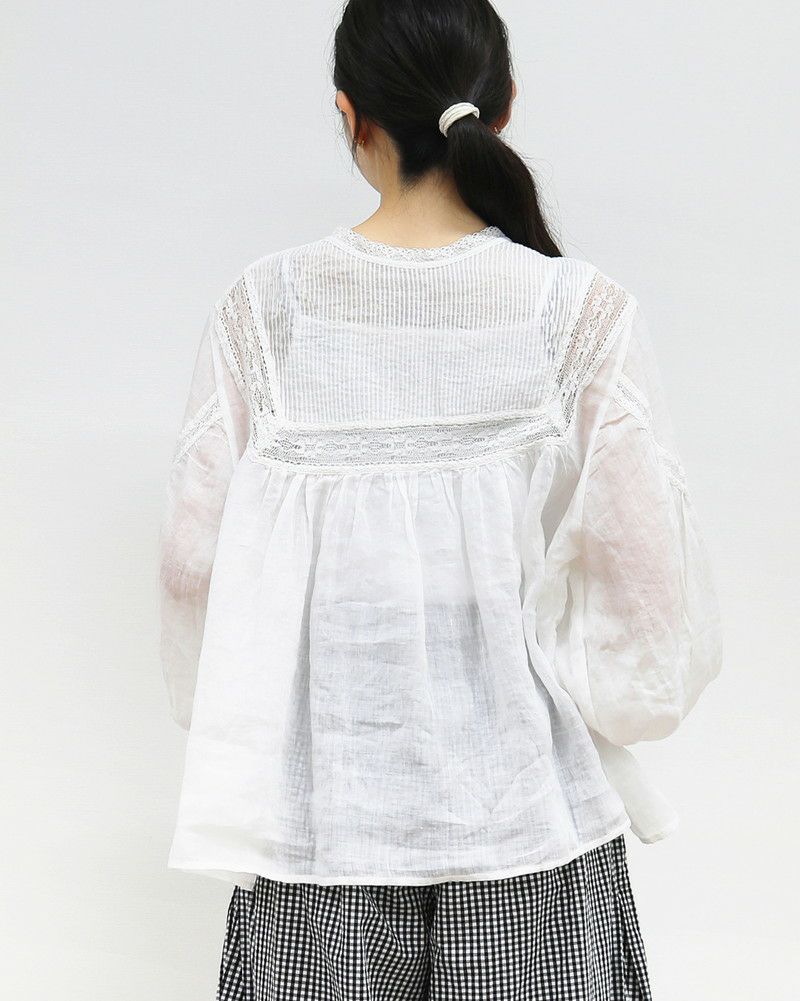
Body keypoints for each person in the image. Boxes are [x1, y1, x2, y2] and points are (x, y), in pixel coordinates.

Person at [158, 1, 723, 997]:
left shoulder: (264, 311)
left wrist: (251, 723)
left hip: (319, 831)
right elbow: (646, 584)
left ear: (349, 115)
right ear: (501, 109)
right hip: (532, 821)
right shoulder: (578, 309)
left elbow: (191, 564)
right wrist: (597, 700)